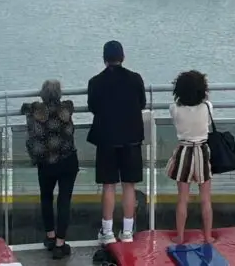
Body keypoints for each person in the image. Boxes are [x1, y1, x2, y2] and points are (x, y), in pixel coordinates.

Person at [87, 40, 146, 244]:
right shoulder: (135, 79)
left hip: (106, 140)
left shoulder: (95, 82)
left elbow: (93, 107)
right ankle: (128, 232)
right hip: (131, 139)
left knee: (108, 185)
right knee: (129, 186)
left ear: (104, 59)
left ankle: (107, 231)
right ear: (123, 57)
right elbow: (142, 103)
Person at [21, 80, 79, 259]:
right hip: (68, 161)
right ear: (60, 94)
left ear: (42, 94)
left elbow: (25, 108)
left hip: (46, 164)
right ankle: (61, 244)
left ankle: (50, 236)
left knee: (46, 198)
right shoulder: (66, 108)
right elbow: (70, 105)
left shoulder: (35, 110)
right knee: (64, 200)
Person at [166, 71, 213, 245]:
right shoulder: (207, 107)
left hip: (184, 151)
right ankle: (208, 236)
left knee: (182, 198)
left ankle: (180, 236)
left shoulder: (175, 109)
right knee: (206, 198)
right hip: (201, 150)